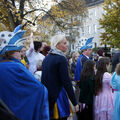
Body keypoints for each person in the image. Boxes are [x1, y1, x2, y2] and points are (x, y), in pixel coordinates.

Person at [0, 26, 49, 120]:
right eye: (19, 51)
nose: (21, 54)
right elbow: (39, 89)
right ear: (10, 52)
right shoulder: (16, 67)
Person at [41, 34, 79, 120]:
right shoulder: (61, 58)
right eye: (65, 43)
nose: (67, 45)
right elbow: (66, 82)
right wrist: (74, 102)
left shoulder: (46, 58)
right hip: (58, 97)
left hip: (48, 97)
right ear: (57, 45)